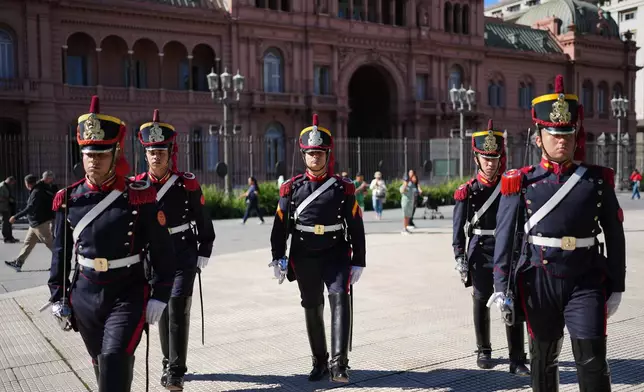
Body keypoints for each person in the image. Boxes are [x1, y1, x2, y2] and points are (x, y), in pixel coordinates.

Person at [489, 75, 626, 392]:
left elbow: (615, 236)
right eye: (553, 133)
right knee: (543, 361)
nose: (561, 139)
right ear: (538, 136)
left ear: (575, 131)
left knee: (593, 362)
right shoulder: (520, 182)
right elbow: (506, 235)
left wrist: (616, 285)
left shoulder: (596, 180)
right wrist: (501, 284)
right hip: (539, 280)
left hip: (586, 279)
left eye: (567, 131)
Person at [47, 96, 177, 391]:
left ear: (116, 153)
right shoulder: (69, 199)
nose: (94, 160)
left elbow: (161, 248)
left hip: (127, 292)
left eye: (102, 153)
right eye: (89, 153)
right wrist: (58, 295)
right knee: (101, 364)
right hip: (85, 295)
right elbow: (61, 252)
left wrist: (161, 293)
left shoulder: (138, 195)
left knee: (115, 359)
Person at [269, 113, 366, 383]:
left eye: (321, 153)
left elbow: (355, 225)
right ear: (304, 155)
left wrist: (359, 259)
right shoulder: (292, 189)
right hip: (305, 254)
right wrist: (278, 256)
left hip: (335, 252)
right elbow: (280, 226)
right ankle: (319, 361)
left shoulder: (343, 188)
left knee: (339, 300)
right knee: (312, 306)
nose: (316, 158)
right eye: (311, 154)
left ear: (327, 154)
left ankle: (339, 363)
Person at [135, 109, 216, 390]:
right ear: (145, 154)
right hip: (152, 257)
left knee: (178, 307)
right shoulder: (136, 187)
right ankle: (167, 361)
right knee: (162, 308)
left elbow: (201, 215)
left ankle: (176, 370)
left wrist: (205, 245)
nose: (156, 156)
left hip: (182, 251)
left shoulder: (186, 183)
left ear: (171, 152)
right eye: (151, 151)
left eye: (161, 151)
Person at [452, 120, 530, 376]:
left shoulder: (510, 187)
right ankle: (483, 349)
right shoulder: (469, 191)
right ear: (476, 158)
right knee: (481, 299)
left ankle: (517, 357)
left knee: (512, 300)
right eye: (485, 158)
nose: (490, 163)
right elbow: (459, 227)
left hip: (507, 251)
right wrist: (459, 256)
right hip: (480, 250)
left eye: (494, 158)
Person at [4, 174, 55, 272]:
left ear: (27, 184)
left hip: (40, 223)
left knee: (51, 244)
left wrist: (15, 216)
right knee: (28, 244)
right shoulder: (38, 188)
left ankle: (61, 263)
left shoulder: (36, 192)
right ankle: (18, 263)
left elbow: (30, 208)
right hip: (35, 223)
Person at [0, 176, 18, 243]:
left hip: (7, 207)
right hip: (3, 207)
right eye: (12, 183)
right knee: (5, 223)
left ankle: (10, 237)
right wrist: (8, 199)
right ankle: (6, 238)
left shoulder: (6, 185)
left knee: (9, 222)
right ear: (9, 181)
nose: (12, 184)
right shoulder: (2, 186)